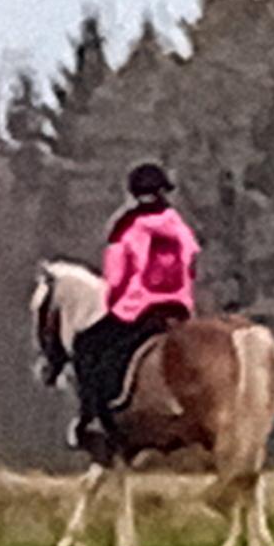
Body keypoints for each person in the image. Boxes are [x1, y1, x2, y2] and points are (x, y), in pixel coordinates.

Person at [70, 161, 200, 441]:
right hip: (179, 308)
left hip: (139, 309)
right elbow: (191, 264)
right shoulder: (179, 227)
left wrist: (114, 303)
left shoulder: (126, 228)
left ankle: (92, 417)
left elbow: (116, 277)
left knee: (87, 345)